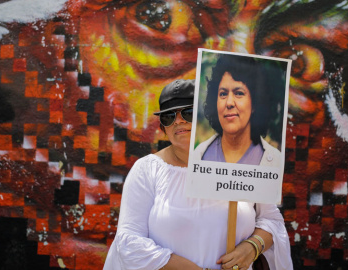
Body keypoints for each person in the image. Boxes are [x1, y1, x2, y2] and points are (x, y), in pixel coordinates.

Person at [103, 79, 292, 270]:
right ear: (163, 128)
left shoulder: (246, 164)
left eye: (188, 112)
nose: (178, 121)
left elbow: (271, 220)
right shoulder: (146, 170)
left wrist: (252, 247)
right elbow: (128, 242)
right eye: (168, 117)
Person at [195, 54, 282, 167]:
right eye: (223, 94)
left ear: (255, 103)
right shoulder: (199, 156)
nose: (229, 103)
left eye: (239, 93)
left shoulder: (276, 162)